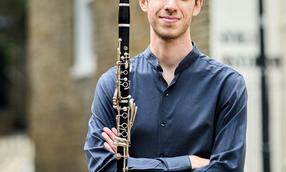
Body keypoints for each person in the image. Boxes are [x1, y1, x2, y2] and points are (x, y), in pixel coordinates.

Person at [84, 0, 247, 171]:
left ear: (198, 4)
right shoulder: (111, 84)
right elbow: (102, 166)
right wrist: (188, 162)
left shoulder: (227, 85)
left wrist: (131, 165)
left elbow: (227, 168)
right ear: (143, 2)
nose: (171, 5)